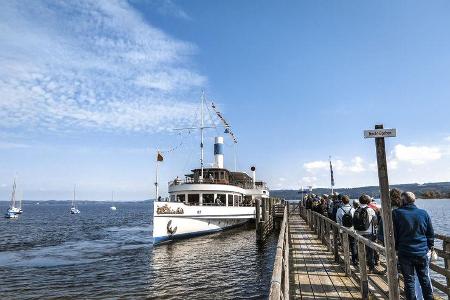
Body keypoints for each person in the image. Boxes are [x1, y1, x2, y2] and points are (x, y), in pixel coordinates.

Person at [393, 192, 434, 300]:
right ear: (413, 200)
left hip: (405, 253)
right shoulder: (423, 213)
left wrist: (396, 248)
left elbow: (394, 234)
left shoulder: (396, 213)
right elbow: (430, 233)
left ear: (403, 200)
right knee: (424, 279)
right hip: (421, 252)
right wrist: (428, 247)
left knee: (409, 281)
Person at [353, 194, 379, 273]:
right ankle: (371, 268)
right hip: (369, 233)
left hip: (358, 233)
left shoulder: (356, 209)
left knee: (361, 251)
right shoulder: (370, 210)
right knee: (370, 252)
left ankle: (362, 266)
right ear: (368, 202)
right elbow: (375, 222)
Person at [336, 195, 357, 264]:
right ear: (349, 201)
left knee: (345, 244)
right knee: (353, 245)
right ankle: (354, 260)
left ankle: (346, 260)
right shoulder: (353, 209)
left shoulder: (339, 210)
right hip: (352, 229)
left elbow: (337, 220)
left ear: (342, 201)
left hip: (343, 229)